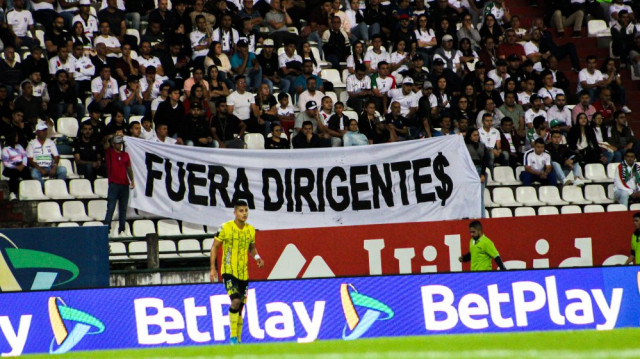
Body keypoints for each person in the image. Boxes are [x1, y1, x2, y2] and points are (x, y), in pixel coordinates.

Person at [209, 200, 264, 344]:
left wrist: (257, 257)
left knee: (240, 307)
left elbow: (251, 247)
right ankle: (233, 337)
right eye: (241, 210)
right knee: (235, 300)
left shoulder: (250, 229)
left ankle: (237, 341)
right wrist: (213, 268)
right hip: (228, 271)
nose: (244, 213)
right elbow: (215, 247)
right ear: (235, 212)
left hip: (243, 273)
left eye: (246, 210)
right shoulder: (225, 228)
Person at [104, 135, 134, 236]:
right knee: (111, 207)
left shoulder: (125, 155)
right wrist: (112, 136)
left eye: (121, 143)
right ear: (113, 144)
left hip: (124, 184)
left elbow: (129, 168)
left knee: (123, 208)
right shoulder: (109, 153)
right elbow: (105, 144)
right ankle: (106, 228)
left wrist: (132, 180)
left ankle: (122, 229)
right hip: (114, 184)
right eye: (117, 143)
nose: (120, 145)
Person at [2, 130, 30, 201]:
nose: (17, 137)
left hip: (20, 165)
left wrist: (23, 165)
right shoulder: (5, 149)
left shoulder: (19, 146)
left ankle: (27, 192)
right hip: (10, 167)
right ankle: (13, 193)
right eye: (16, 136)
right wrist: (16, 167)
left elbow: (24, 156)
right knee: (13, 174)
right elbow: (6, 163)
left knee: (27, 172)